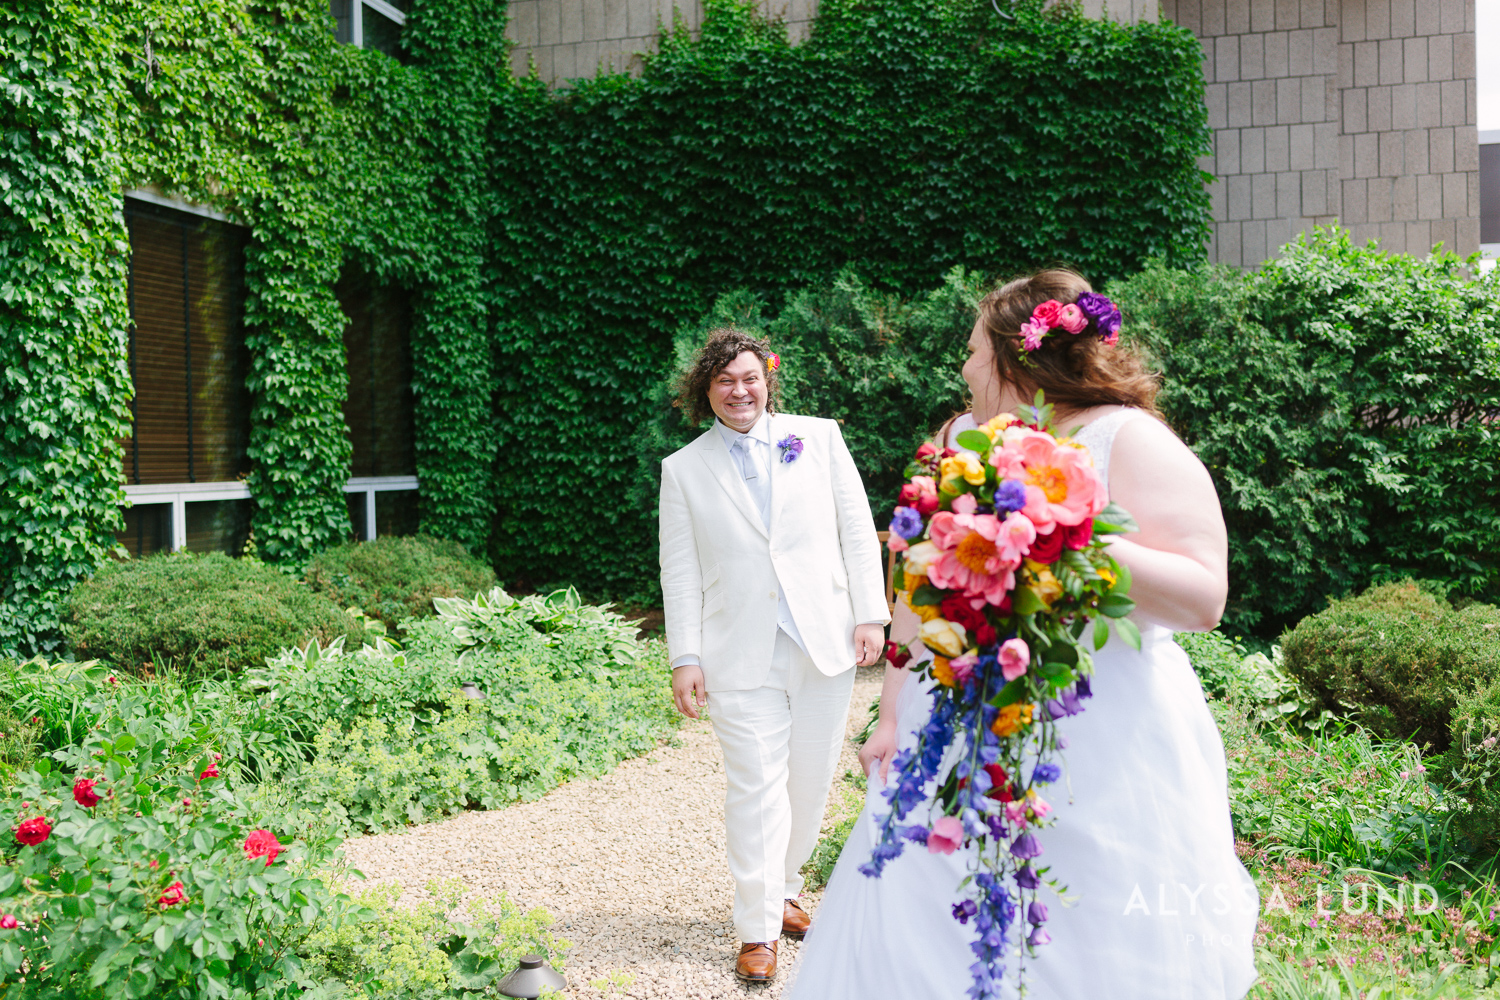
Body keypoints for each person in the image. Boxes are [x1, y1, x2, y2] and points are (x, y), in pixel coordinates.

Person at [786, 270, 1260, 999]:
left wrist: (1061, 530)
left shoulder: (1126, 438)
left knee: (1090, 929)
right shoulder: (953, 442)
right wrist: (889, 715)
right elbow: (916, 586)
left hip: (1103, 732)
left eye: (975, 350)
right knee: (922, 920)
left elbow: (1204, 596)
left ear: (1015, 357)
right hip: (958, 727)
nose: (964, 366)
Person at [657, 328, 891, 983]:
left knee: (809, 781)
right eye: (726, 381)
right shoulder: (683, 470)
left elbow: (854, 527)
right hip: (738, 654)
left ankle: (784, 890)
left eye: (750, 378)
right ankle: (756, 930)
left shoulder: (818, 438)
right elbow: (678, 571)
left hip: (825, 642)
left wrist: (870, 613)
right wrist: (686, 657)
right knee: (756, 790)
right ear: (706, 389)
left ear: (769, 378)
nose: (740, 391)